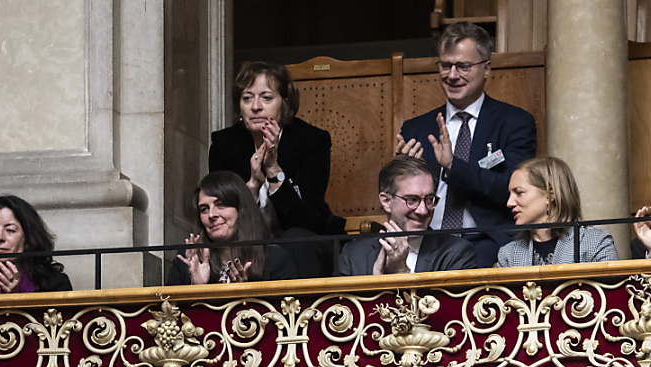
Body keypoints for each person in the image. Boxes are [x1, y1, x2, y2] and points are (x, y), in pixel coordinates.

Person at [396, 22, 537, 269]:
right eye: (445, 65)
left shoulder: (514, 123)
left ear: (486, 69)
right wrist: (402, 171)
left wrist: (453, 166)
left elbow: (511, 189)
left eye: (463, 66)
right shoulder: (415, 129)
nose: (452, 75)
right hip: (428, 241)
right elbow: (397, 196)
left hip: (487, 242)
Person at [209, 61, 344, 277]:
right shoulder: (224, 145)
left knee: (296, 240)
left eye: (266, 98)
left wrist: (273, 171)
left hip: (306, 243)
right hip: (247, 245)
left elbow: (305, 220)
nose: (255, 106)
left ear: (285, 104)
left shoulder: (312, 142)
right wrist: (252, 186)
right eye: (247, 98)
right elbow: (220, 215)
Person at [337, 157, 477, 277]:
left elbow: (447, 309)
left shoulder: (456, 253)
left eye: (429, 199)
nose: (423, 211)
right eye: (412, 200)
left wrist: (401, 272)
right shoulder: (353, 255)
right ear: (386, 201)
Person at [166, 171, 298, 285]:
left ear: (241, 210)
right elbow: (166, 312)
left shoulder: (275, 260)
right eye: (204, 209)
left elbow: (286, 312)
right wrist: (197, 289)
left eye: (221, 205)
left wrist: (242, 297)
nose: (211, 214)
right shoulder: (187, 262)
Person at [496, 157, 617, 268]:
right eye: (510, 194)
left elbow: (611, 290)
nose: (509, 203)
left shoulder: (595, 243)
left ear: (550, 194)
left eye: (519, 192)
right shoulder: (508, 255)